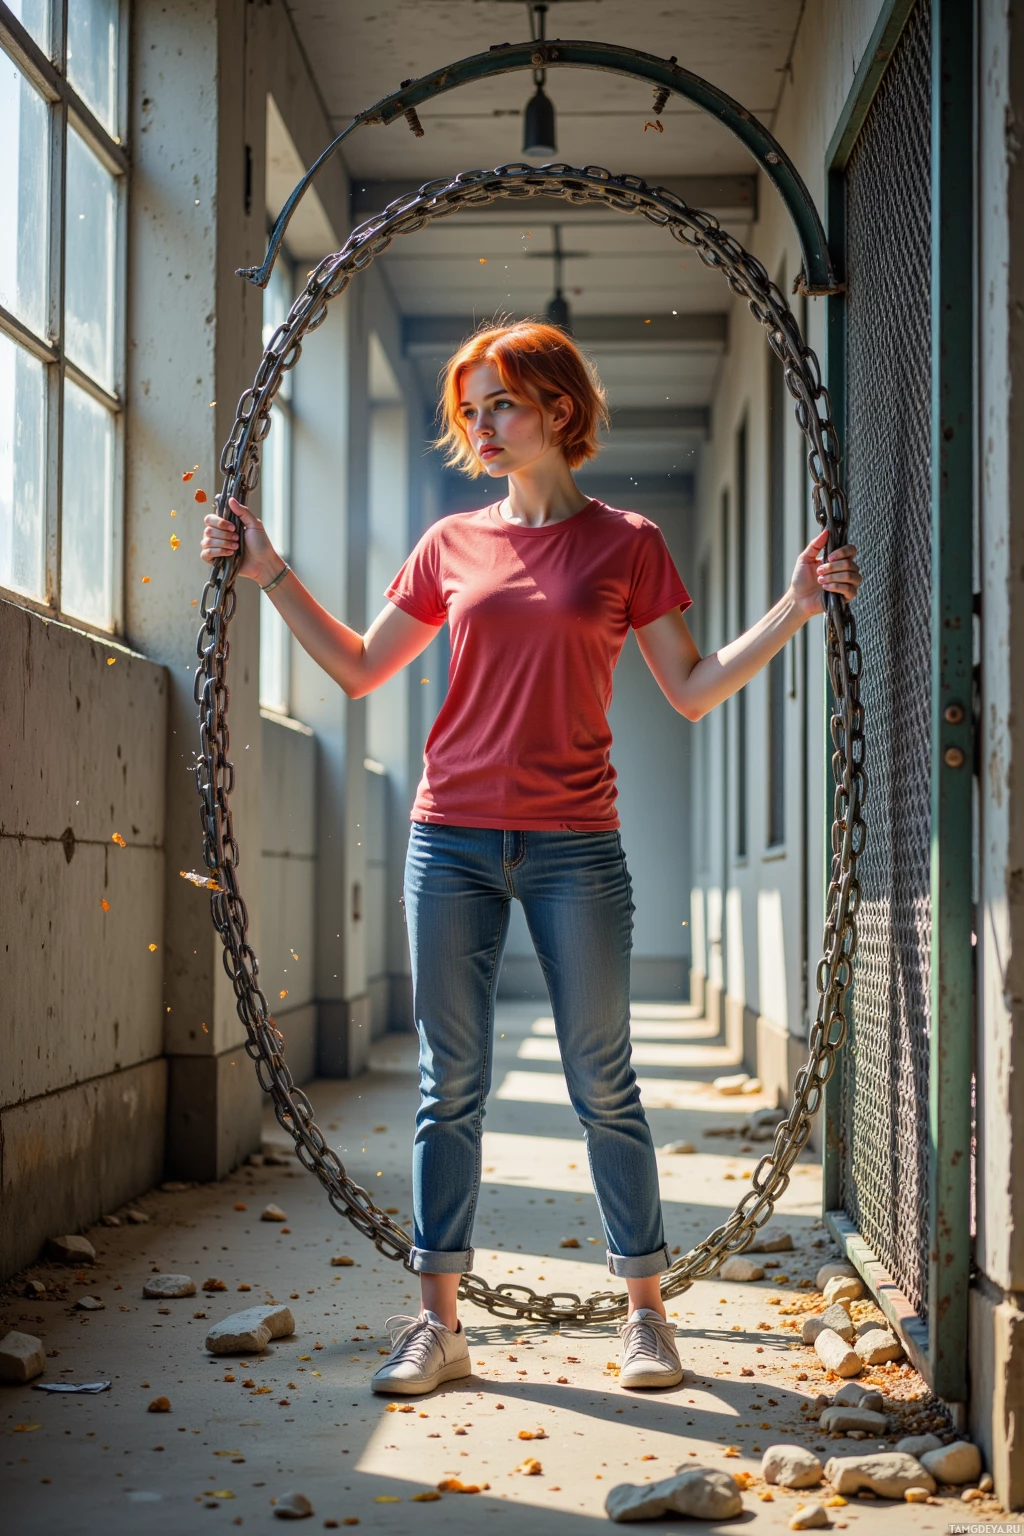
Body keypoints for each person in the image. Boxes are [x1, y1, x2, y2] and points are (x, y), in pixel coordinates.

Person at [201, 319, 861, 1397]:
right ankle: (438, 1326)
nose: (483, 426)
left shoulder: (628, 543)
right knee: (447, 1084)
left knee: (603, 1081)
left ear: (559, 409)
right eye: (471, 411)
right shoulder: (450, 544)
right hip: (448, 839)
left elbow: (693, 689)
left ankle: (646, 1318)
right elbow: (361, 668)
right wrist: (269, 571)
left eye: (501, 403)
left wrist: (793, 608)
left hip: (575, 849)